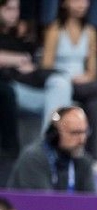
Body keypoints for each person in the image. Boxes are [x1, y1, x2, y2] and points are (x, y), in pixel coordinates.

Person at [41, 0, 97, 173]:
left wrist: (86, 77)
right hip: (61, 84)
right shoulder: (54, 29)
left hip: (83, 85)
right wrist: (68, 77)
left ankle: (93, 159)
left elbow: (92, 70)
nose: (82, 4)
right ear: (64, 3)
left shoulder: (90, 31)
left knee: (95, 105)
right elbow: (46, 65)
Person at [0, 0, 73, 133]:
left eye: (16, 9)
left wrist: (21, 60)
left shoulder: (20, 36)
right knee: (64, 106)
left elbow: (30, 64)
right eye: (9, 9)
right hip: (8, 87)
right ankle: (54, 139)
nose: (14, 14)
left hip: (25, 84)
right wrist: (18, 59)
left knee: (61, 84)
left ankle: (51, 140)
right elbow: (23, 60)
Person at [7, 105, 96, 192]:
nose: (82, 140)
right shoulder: (33, 159)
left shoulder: (83, 162)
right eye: (75, 133)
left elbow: (90, 199)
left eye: (85, 132)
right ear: (55, 134)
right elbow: (42, 201)